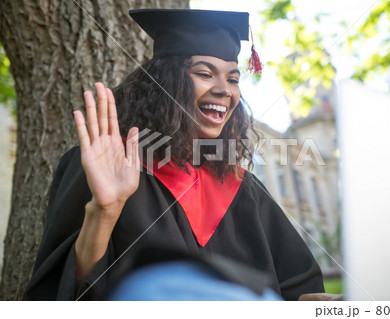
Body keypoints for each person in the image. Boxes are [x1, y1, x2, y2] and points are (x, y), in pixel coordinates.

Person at [23, 9, 325, 301]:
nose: (225, 90)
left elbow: (298, 288)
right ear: (165, 82)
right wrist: (105, 210)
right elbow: (67, 296)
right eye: (205, 73)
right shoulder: (109, 168)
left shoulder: (245, 189)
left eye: (233, 79)